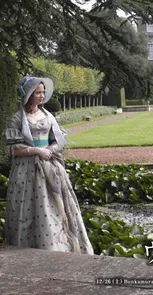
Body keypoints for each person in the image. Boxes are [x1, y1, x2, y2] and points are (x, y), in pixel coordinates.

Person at [3, 75, 94, 254]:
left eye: (43, 92)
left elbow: (59, 139)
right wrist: (36, 151)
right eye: (38, 93)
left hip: (50, 166)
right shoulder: (16, 119)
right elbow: (11, 149)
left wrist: (51, 149)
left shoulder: (47, 115)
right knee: (29, 209)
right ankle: (29, 247)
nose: (42, 96)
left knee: (56, 207)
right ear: (29, 94)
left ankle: (57, 245)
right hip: (26, 170)